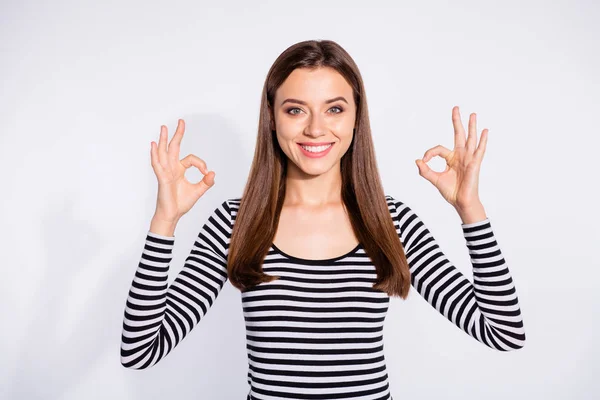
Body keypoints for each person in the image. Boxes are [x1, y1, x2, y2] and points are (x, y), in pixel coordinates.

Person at [120, 39, 526, 400]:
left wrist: (470, 210)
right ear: (272, 117)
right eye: (296, 109)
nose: (316, 128)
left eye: (334, 108)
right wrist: (165, 220)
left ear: (355, 117)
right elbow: (140, 350)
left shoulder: (390, 221)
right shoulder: (236, 221)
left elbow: (503, 332)